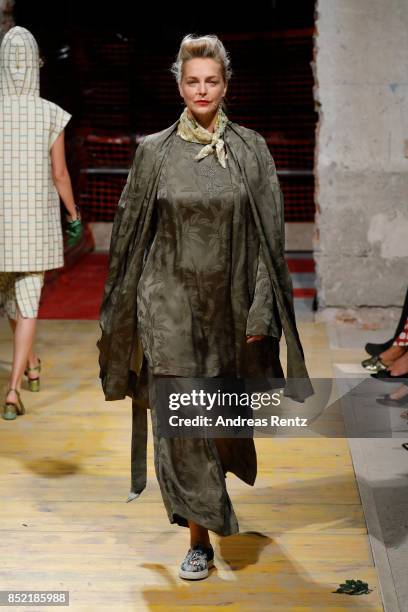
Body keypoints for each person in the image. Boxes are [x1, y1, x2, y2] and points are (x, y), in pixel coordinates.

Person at [98, 34, 312, 580]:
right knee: (182, 423)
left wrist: (263, 311)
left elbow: (270, 239)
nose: (201, 89)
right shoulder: (154, 151)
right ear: (178, 83)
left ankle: (212, 501)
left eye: (211, 80)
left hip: (231, 308)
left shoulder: (250, 149)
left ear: (225, 84)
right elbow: (127, 239)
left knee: (219, 419)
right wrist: (129, 319)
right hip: (167, 304)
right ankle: (198, 539)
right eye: (192, 80)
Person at [0, 27, 82, 420]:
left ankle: (27, 369)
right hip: (34, 227)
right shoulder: (51, 113)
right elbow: (60, 174)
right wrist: (74, 214)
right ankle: (16, 385)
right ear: (36, 66)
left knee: (10, 304)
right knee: (27, 306)